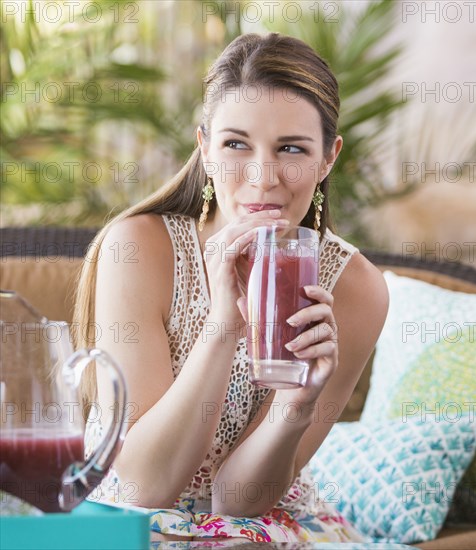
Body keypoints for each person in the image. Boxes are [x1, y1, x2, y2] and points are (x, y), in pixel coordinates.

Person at [74, 32, 389, 544]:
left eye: (291, 148)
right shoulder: (137, 248)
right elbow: (144, 486)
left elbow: (239, 501)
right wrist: (222, 325)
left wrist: (297, 404)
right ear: (205, 148)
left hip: (256, 527)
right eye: (236, 144)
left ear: (328, 158)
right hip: (125, 516)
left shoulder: (356, 288)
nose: (263, 178)